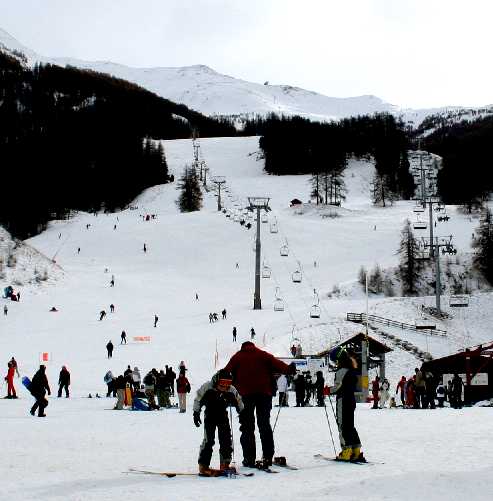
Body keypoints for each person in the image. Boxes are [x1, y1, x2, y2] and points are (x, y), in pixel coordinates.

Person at [224, 341, 296, 467]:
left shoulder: (238, 356)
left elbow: (225, 372)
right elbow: (278, 364)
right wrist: (289, 369)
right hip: (264, 394)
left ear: (243, 347)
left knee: (247, 426)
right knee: (264, 424)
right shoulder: (262, 354)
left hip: (244, 395)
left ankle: (249, 458)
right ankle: (267, 456)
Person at [193, 369, 244, 476]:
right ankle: (203, 465)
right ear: (216, 381)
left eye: (227, 384)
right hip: (210, 416)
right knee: (209, 441)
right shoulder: (208, 387)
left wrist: (241, 412)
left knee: (225, 439)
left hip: (223, 416)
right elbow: (198, 399)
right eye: (222, 384)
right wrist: (196, 413)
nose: (224, 387)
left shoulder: (231, 390)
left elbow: (238, 400)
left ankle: (225, 463)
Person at [328, 347, 365, 462]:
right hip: (351, 400)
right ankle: (356, 450)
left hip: (343, 400)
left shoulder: (341, 371)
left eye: (335, 361)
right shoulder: (352, 369)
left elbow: (337, 386)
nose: (335, 363)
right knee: (350, 425)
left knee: (342, 425)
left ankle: (346, 451)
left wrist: (327, 390)